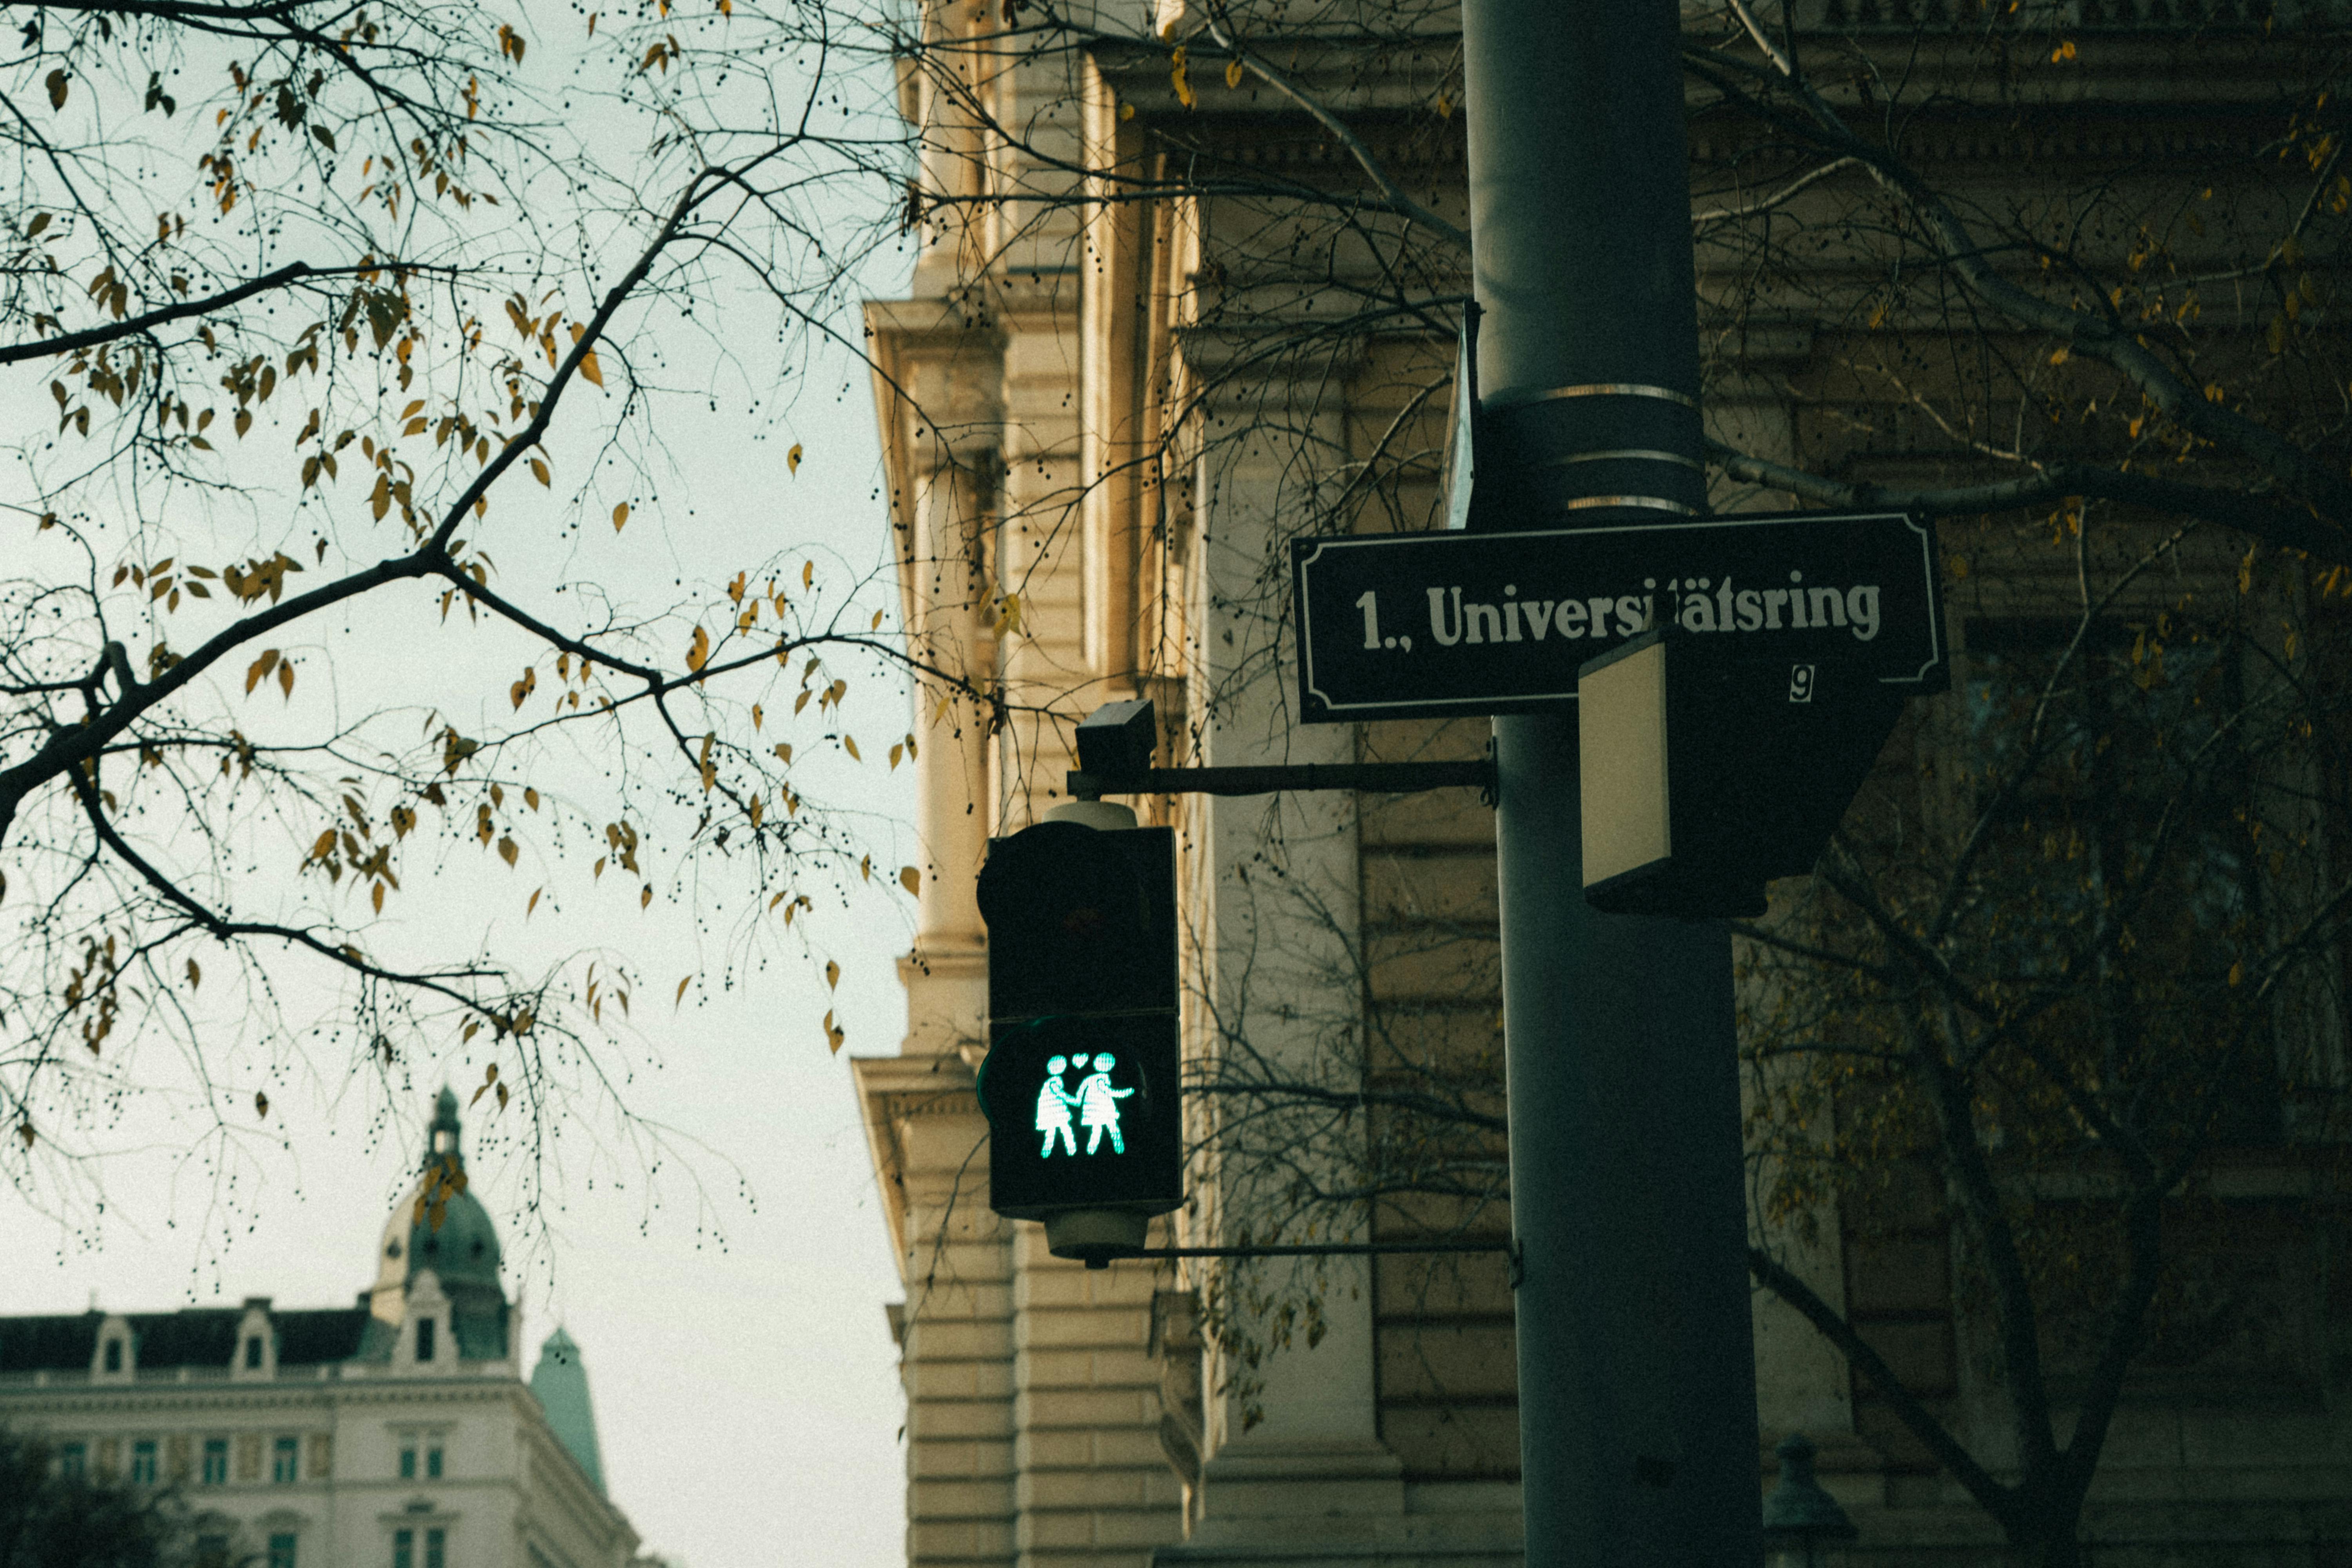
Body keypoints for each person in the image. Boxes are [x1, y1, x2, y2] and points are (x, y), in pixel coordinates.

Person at [1076, 1052, 1135, 1155]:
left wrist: (1076, 1100)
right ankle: (1118, 1149)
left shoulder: (1089, 1078)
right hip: (1103, 1109)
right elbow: (1109, 1092)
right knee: (1113, 1128)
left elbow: (1081, 1090)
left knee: (1096, 1130)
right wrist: (1125, 1093)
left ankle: (1091, 1151)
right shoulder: (1101, 1079)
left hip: (1092, 1110)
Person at [1035, 1055, 1077, 1157]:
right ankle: (1071, 1150)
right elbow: (1060, 1093)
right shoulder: (1054, 1081)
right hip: (1055, 1110)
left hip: (1050, 1110)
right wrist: (1073, 1101)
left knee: (1052, 1132)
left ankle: (1047, 1152)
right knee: (1065, 1129)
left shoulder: (1050, 1081)